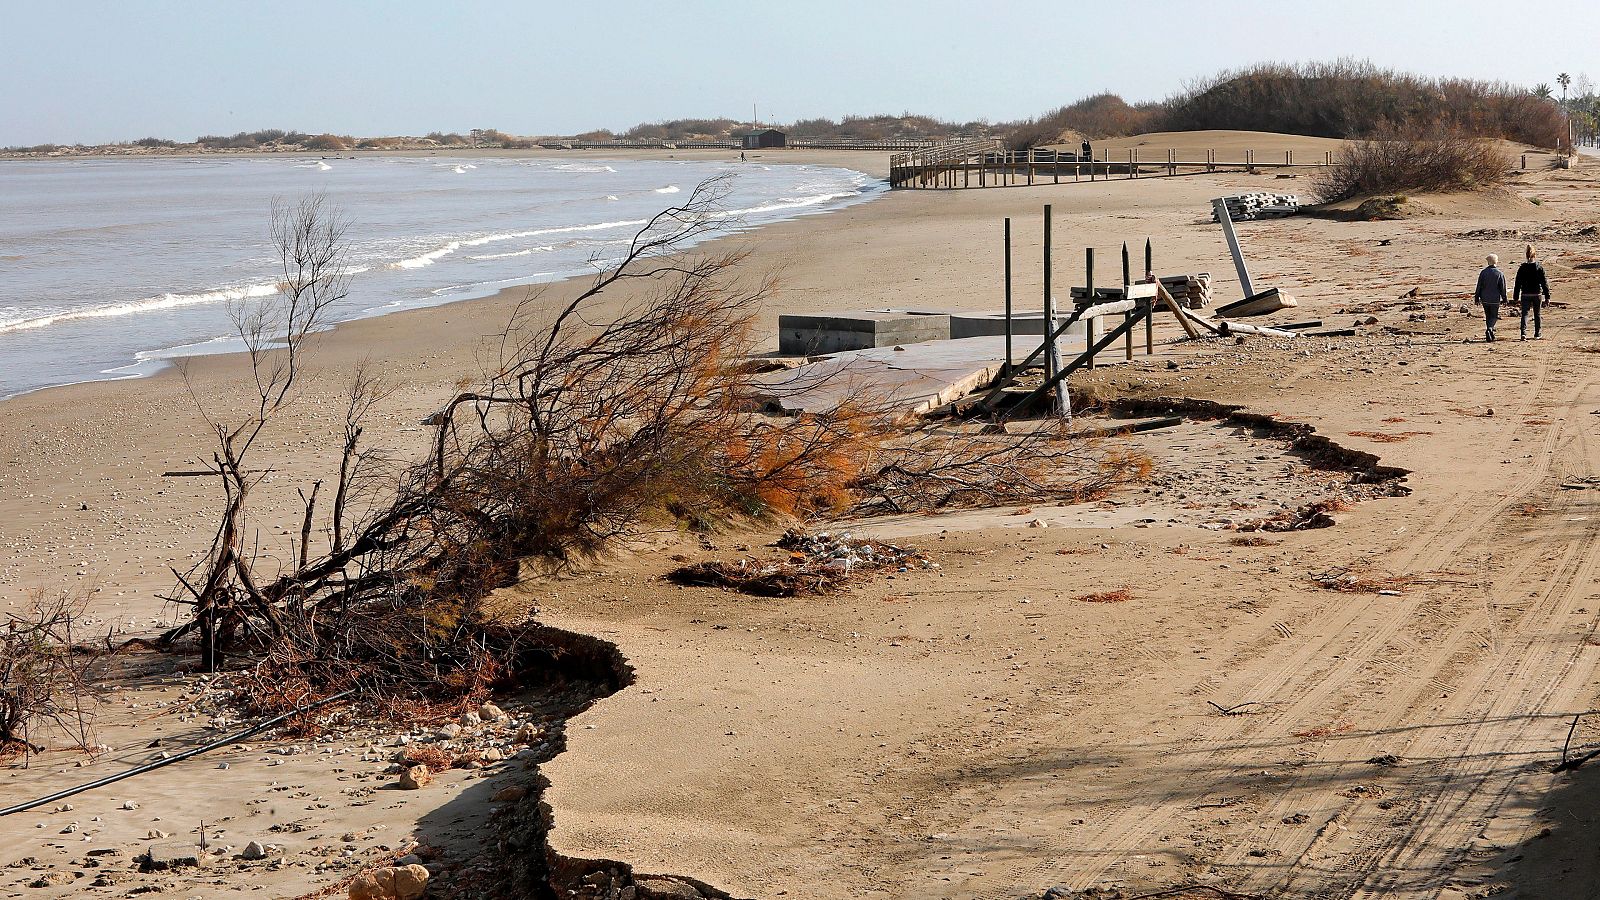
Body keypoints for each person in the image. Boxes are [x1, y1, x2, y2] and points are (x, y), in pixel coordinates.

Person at [1514, 243, 1551, 340]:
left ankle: (1523, 333)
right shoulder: (1539, 267)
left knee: (1525, 314)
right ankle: (1537, 333)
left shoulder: (1522, 268)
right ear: (1535, 255)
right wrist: (1547, 296)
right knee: (1537, 314)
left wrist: (1515, 297)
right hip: (1536, 293)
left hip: (1525, 293)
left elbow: (1517, 282)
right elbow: (1544, 283)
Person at [1474, 253, 1507, 342]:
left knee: (1488, 316)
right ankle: (1490, 329)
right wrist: (1504, 298)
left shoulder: (1483, 273)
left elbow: (1479, 286)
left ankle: (1490, 333)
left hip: (1484, 298)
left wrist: (1477, 297)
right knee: (1494, 316)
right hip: (1494, 298)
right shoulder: (1499, 273)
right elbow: (1502, 287)